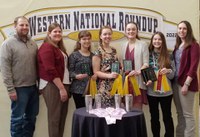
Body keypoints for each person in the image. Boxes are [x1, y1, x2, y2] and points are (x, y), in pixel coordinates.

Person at [0, 16, 39, 137]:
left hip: (33, 88)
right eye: (21, 25)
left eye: (26, 25)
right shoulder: (7, 44)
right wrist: (10, 89)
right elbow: (5, 68)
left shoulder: (33, 43)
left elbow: (37, 65)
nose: (24, 27)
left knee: (31, 119)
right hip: (18, 89)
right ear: (15, 26)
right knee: (17, 120)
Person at [37, 22, 70, 137]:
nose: (58, 33)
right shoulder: (46, 47)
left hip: (63, 84)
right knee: (54, 119)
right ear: (49, 34)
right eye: (55, 31)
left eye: (59, 31)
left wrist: (64, 87)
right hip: (52, 85)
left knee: (61, 118)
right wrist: (61, 88)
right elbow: (50, 69)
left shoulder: (58, 48)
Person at [172, 20, 200, 137]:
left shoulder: (194, 45)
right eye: (180, 28)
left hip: (186, 84)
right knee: (180, 114)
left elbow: (194, 66)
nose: (181, 31)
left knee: (188, 115)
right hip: (176, 82)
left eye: (184, 28)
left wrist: (187, 84)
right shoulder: (178, 46)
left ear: (188, 30)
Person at [146, 32, 175, 137]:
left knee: (167, 117)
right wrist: (147, 81)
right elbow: (145, 72)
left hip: (166, 93)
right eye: (155, 39)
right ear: (152, 41)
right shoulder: (147, 54)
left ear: (163, 41)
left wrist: (168, 71)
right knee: (154, 117)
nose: (157, 41)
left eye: (159, 39)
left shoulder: (169, 55)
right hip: (151, 92)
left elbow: (173, 76)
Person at [121, 22, 149, 109]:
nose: (131, 31)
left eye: (133, 29)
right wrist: (122, 68)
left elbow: (146, 64)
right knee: (126, 111)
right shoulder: (123, 45)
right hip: (126, 82)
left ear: (137, 31)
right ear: (125, 32)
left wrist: (137, 72)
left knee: (137, 111)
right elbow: (122, 63)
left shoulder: (143, 44)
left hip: (138, 81)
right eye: (128, 29)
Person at [92, 25, 120, 107]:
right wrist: (109, 75)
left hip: (115, 85)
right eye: (105, 34)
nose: (107, 36)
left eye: (109, 34)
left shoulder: (114, 50)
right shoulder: (97, 52)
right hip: (103, 87)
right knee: (104, 114)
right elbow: (96, 72)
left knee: (115, 114)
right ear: (100, 36)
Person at [69, 30, 94, 109]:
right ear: (79, 41)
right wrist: (76, 76)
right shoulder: (74, 55)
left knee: (91, 112)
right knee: (81, 111)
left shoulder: (93, 55)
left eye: (88, 39)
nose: (87, 41)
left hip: (91, 88)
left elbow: (94, 71)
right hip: (78, 89)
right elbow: (69, 72)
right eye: (84, 39)